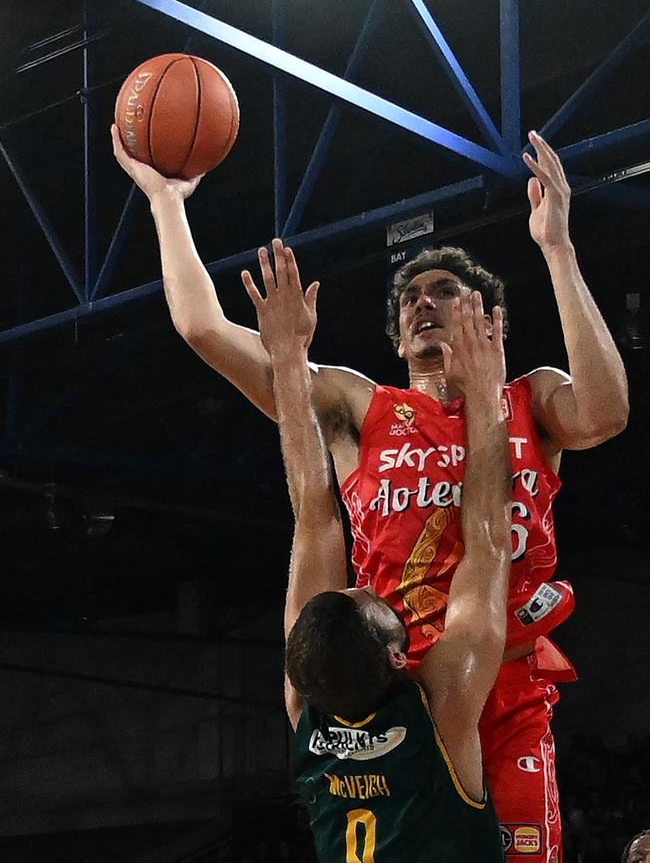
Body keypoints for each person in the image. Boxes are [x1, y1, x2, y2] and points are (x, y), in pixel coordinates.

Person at [111, 126, 629, 861]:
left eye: (445, 291)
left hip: (504, 688)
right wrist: (166, 201)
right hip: (395, 687)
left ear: (491, 320)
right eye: (411, 297)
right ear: (395, 340)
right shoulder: (362, 407)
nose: (423, 302)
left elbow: (607, 411)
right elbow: (201, 326)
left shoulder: (531, 398)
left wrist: (558, 249)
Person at [246, 244, 510, 860]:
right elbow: (492, 535)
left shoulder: (317, 705)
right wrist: (486, 391)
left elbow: (315, 517)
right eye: (369, 596)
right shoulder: (434, 711)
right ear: (400, 657)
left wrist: (288, 362)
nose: (364, 580)